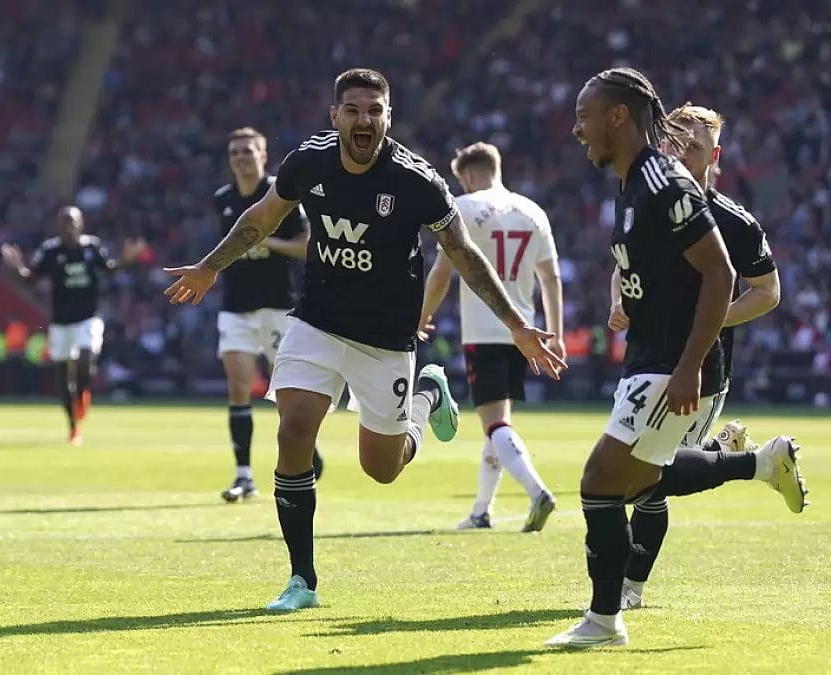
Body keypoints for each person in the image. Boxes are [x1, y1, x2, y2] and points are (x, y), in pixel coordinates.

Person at [164, 68, 564, 612]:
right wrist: (211, 267)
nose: (364, 120)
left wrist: (518, 324)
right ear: (335, 116)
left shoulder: (417, 180)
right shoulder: (309, 161)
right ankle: (302, 580)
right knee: (293, 432)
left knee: (383, 468)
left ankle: (426, 396)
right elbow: (261, 218)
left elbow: (464, 253)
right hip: (317, 323)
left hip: (385, 339)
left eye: (374, 111)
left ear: (388, 118)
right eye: (352, 110)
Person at [545, 67, 739, 648]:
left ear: (617, 117)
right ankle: (753, 463)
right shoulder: (632, 183)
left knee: (602, 482)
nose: (577, 130)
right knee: (632, 482)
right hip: (650, 360)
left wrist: (689, 366)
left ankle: (605, 621)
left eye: (584, 117)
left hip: (668, 366)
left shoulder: (662, 181)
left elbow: (721, 273)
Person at [611, 103, 805, 611]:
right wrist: (618, 299)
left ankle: (755, 462)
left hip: (699, 368)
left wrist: (709, 322)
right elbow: (623, 260)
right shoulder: (643, 194)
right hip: (646, 355)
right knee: (643, 479)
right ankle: (732, 453)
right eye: (671, 141)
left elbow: (767, 291)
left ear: (713, 156)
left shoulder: (732, 221)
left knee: (642, 477)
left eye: (690, 146)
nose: (676, 152)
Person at [418, 142, 562, 533]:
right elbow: (551, 278)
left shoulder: (462, 208)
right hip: (525, 331)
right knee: (500, 421)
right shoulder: (533, 212)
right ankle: (481, 511)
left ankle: (537, 492)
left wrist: (422, 315)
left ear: (465, 175)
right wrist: (558, 334)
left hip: (484, 329)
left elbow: (441, 274)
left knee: (494, 424)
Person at [214, 127, 324, 503]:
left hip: (280, 305)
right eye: (235, 152)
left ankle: (306, 449)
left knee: (288, 396)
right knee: (238, 387)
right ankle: (243, 475)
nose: (241, 157)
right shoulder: (223, 199)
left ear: (263, 155)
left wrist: (265, 240)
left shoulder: (283, 193)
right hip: (236, 307)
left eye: (248, 150)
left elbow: (307, 246)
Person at [0, 206, 144, 444]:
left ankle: (83, 391)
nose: (69, 227)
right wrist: (17, 268)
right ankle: (73, 427)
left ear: (81, 224)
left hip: (88, 317)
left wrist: (125, 261)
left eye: (73, 222)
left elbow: (108, 270)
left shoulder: (92, 247)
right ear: (58, 227)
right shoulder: (50, 251)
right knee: (62, 376)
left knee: (85, 358)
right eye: (64, 223)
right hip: (61, 323)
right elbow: (30, 279)